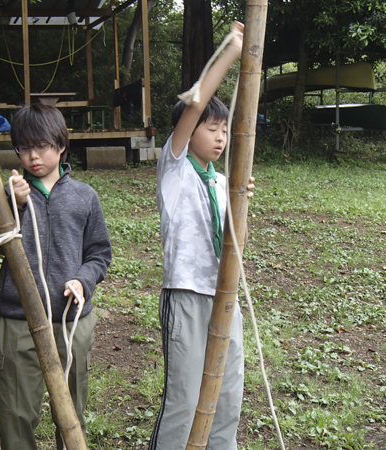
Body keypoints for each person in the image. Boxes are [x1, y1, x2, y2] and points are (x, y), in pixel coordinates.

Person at [149, 22, 254, 450]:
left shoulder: (220, 182)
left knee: (228, 395)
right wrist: (231, 52)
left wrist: (242, 205)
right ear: (188, 132)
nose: (220, 136)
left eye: (224, 130)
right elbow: (194, 103)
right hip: (188, 294)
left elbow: (236, 247)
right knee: (185, 397)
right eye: (211, 128)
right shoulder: (174, 169)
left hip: (224, 295)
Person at [0, 102, 112, 450]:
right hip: (18, 321)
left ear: (60, 145)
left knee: (72, 412)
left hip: (71, 320)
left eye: (41, 146)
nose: (33, 156)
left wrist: (83, 281)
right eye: (24, 147)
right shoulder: (10, 195)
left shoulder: (84, 197)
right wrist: (11, 205)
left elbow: (99, 253)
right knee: (15, 414)